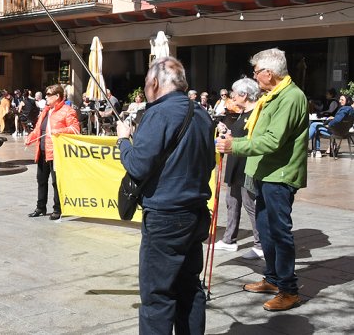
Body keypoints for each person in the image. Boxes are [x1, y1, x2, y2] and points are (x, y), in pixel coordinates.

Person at [116, 57, 214, 333]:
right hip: (195, 213)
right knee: (190, 289)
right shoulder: (202, 113)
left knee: (157, 295)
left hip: (165, 216)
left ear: (155, 83)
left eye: (147, 82)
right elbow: (209, 163)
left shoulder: (158, 114)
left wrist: (124, 140)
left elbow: (137, 165)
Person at [216, 48, 308, 312]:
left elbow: (273, 140)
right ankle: (273, 278)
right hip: (264, 173)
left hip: (279, 175)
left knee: (279, 232)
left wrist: (236, 146)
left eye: (257, 72)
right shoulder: (273, 96)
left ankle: (289, 290)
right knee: (265, 230)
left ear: (269, 72)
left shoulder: (291, 97)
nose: (255, 77)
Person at [213, 78, 263, 260]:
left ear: (244, 95)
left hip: (246, 165)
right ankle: (229, 239)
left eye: (234, 94)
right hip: (235, 163)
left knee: (250, 204)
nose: (232, 97)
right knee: (232, 201)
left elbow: (252, 141)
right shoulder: (242, 113)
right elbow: (238, 135)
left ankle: (261, 244)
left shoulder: (257, 113)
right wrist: (227, 131)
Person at [24, 84, 80, 220]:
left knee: (56, 182)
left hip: (56, 153)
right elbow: (38, 129)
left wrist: (59, 131)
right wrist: (30, 138)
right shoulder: (45, 111)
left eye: (49, 95)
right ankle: (40, 207)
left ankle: (58, 209)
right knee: (41, 180)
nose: (46, 97)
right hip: (42, 151)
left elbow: (75, 129)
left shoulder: (68, 111)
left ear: (57, 96)